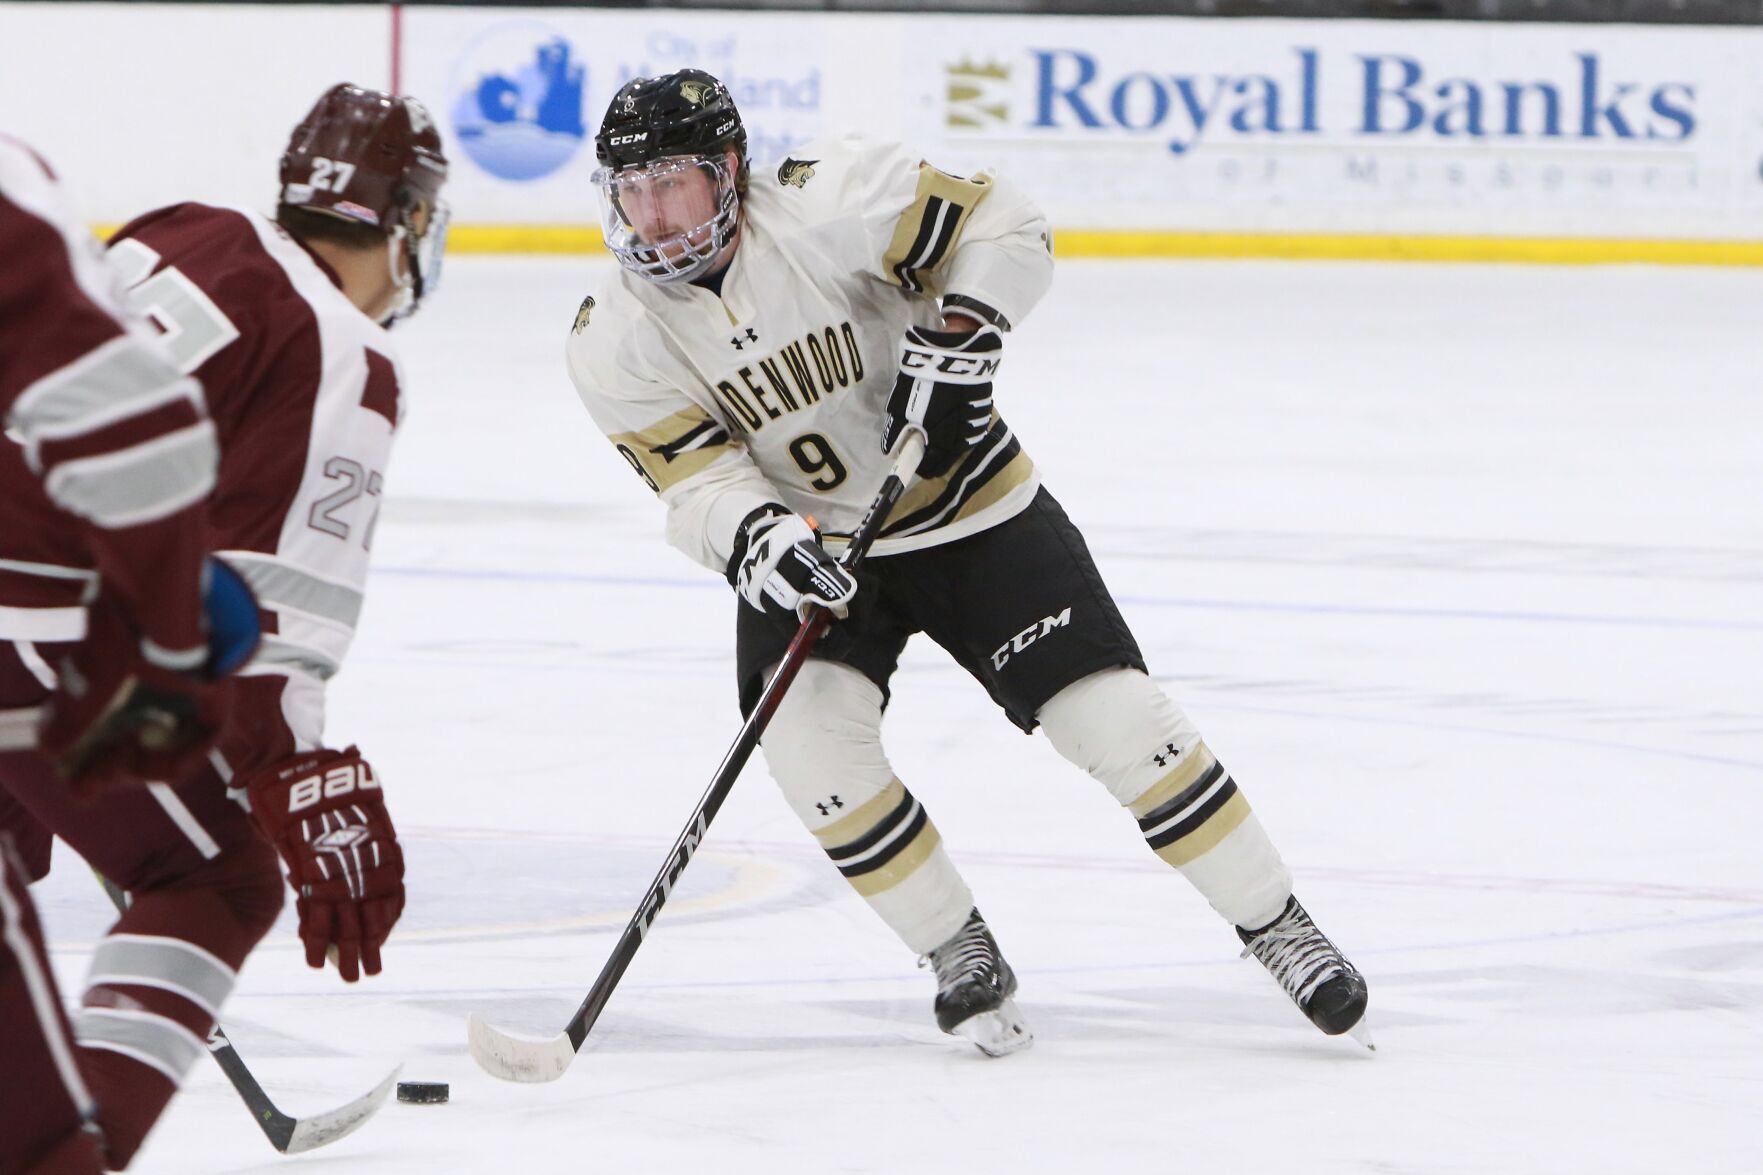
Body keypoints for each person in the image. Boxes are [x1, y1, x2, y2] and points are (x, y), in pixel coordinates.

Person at [567, 70, 1370, 1058]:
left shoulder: (833, 199)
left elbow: (1006, 223)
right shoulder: (613, 337)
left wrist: (968, 330)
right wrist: (755, 534)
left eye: (672, 182)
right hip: (823, 551)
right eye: (630, 188)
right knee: (811, 754)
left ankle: (1275, 923)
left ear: (729, 169)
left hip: (971, 511)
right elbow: (691, 483)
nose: (648, 213)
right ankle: (957, 948)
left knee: (1115, 723)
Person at [0, 84, 448, 1173]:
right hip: (31, 613)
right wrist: (298, 773)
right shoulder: (347, 349)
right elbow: (274, 625)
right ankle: (71, 1149)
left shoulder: (183, 227)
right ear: (407, 225)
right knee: (215, 874)